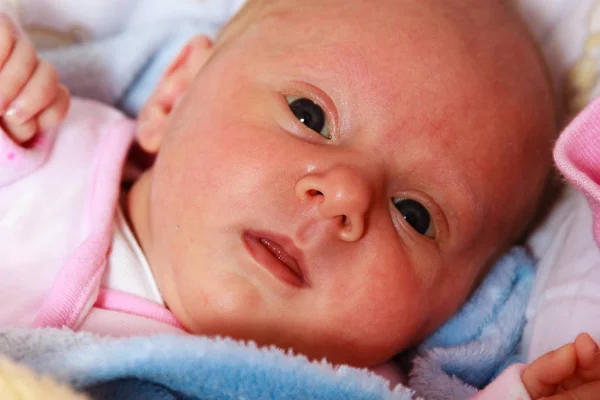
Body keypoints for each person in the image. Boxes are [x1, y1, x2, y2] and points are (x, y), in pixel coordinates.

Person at [1, 0, 590, 397]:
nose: (344, 194)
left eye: (414, 215)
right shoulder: (30, 155)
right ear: (174, 97)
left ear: (450, 309)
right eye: (310, 116)